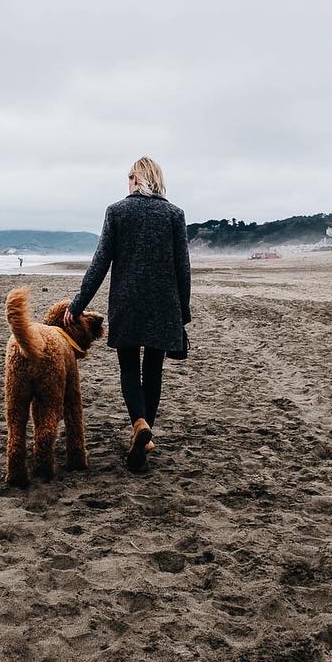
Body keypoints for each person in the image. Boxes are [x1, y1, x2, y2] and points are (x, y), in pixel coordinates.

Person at [65, 156, 191, 472]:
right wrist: (182, 313)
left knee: (128, 370)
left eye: (129, 178)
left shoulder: (117, 212)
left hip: (127, 303)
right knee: (153, 372)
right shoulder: (174, 215)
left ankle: (138, 424)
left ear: (136, 179)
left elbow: (100, 263)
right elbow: (183, 270)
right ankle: (144, 435)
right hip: (164, 305)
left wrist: (76, 306)